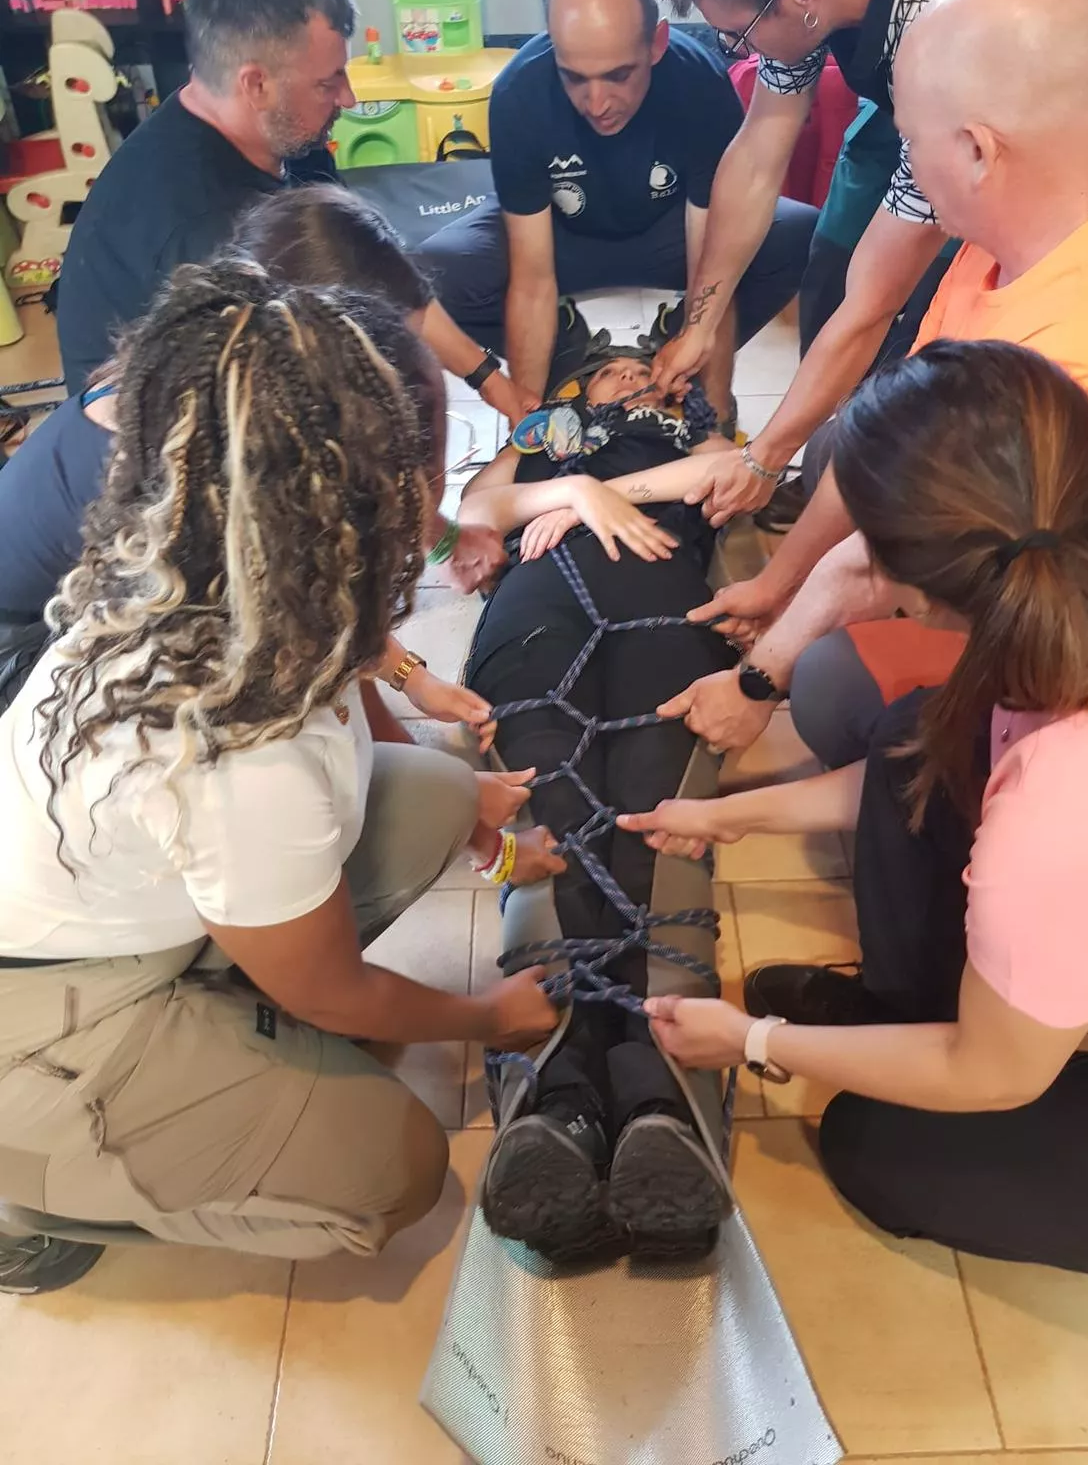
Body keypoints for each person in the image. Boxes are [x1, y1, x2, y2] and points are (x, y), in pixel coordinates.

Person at [0, 261, 560, 1297]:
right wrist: (489, 1017)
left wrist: (441, 746)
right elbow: (336, 987)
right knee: (392, 1171)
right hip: (36, 1015)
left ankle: (221, 1015)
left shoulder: (206, 558)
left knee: (429, 791)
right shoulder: (246, 755)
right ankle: (30, 1198)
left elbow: (349, 670)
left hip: (104, 916)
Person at [621, 340, 1088, 1300]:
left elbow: (993, 1074)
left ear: (916, 592)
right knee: (910, 737)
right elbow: (924, 769)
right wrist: (735, 817)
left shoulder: (1073, 808)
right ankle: (906, 1017)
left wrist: (752, 1043)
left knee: (871, 1143)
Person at [665, 0, 1088, 767]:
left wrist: (756, 681)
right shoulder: (1024, 231)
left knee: (831, 684)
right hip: (1022, 517)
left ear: (980, 150)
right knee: (845, 437)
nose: (906, 168)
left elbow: (885, 564)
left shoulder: (1075, 354)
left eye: (910, 143)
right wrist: (778, 586)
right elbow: (896, 425)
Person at [649, 0, 1088, 523]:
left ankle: (880, 485)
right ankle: (824, 451)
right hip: (947, 32)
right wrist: (701, 325)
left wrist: (764, 456)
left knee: (926, 290)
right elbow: (763, 143)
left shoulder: (936, 20)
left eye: (737, 33)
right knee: (837, 251)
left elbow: (874, 301)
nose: (736, 47)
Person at [450, 312, 748, 1259]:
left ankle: (651, 1083)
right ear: (575, 387)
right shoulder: (538, 434)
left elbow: (726, 478)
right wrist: (568, 485)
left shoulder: (692, 428)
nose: (627, 376)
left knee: (653, 824)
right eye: (605, 370)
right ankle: (566, 1087)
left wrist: (584, 496)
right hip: (543, 607)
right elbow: (476, 514)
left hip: (664, 597)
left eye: (639, 368)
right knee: (560, 821)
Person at [0, 186, 507, 711]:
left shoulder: (218, 355)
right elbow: (314, 624)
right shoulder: (192, 471)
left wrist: (445, 542)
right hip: (26, 663)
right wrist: (414, 712)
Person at [53, 0, 536, 429]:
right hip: (165, 443)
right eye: (328, 83)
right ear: (256, 84)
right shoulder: (206, 229)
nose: (348, 98)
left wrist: (490, 379)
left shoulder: (276, 131)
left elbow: (376, 267)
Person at [415, 0, 819, 426]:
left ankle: (675, 353)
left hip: (666, 234)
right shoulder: (518, 95)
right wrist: (525, 422)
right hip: (562, 241)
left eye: (618, 76)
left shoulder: (700, 85)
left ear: (656, 44)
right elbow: (532, 278)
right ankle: (571, 357)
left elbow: (710, 259)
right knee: (430, 274)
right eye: (574, 78)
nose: (597, 102)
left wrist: (711, 411)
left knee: (803, 234)